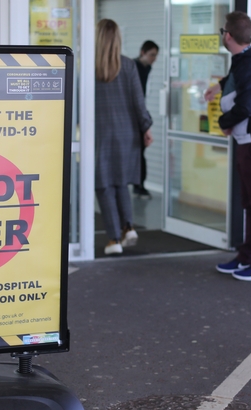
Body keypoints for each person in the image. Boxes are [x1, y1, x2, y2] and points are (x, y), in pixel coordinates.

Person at [205, 11, 251, 281]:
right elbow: (239, 80)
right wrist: (219, 86)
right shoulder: (245, 61)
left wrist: (225, 121)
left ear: (227, 35)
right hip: (249, 142)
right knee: (250, 203)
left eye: (222, 32)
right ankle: (248, 256)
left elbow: (246, 105)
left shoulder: (250, 64)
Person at [94, 19, 154, 255]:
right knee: (120, 183)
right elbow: (139, 104)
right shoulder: (128, 66)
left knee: (104, 185)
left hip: (100, 134)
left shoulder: (89, 67)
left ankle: (113, 240)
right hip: (127, 134)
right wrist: (146, 128)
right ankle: (128, 227)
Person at [133, 40, 159, 199]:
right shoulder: (132, 67)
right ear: (143, 52)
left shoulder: (147, 68)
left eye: (156, 55)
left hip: (140, 112)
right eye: (152, 55)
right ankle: (137, 184)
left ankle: (139, 184)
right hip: (134, 114)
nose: (154, 58)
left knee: (140, 152)